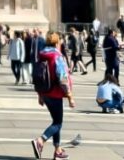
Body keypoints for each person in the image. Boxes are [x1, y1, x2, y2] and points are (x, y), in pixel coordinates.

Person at [31, 31, 75, 160]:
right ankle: (40, 141)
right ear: (57, 43)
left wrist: (40, 95)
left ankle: (58, 151)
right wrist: (70, 95)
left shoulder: (42, 56)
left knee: (56, 121)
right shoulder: (56, 57)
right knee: (57, 123)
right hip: (55, 93)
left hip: (45, 93)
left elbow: (38, 76)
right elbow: (63, 78)